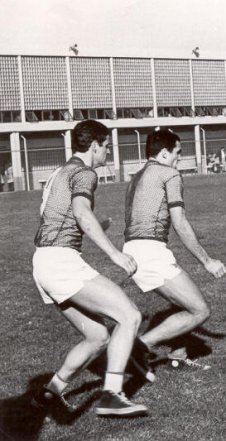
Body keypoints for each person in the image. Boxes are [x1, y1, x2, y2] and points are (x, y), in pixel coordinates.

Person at [31, 120, 147, 417]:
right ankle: (112, 396)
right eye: (106, 146)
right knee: (130, 315)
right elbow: (81, 213)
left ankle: (50, 392)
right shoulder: (85, 173)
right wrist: (115, 254)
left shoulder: (60, 171)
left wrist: (98, 225)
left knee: (97, 337)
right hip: (61, 262)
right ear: (94, 146)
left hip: (43, 261)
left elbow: (60, 216)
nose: (108, 152)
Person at [123, 129, 226, 372]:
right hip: (150, 251)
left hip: (134, 249)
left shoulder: (136, 177)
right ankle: (138, 347)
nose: (179, 158)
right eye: (177, 153)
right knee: (200, 310)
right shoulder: (169, 174)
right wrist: (207, 261)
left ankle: (178, 355)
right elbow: (179, 222)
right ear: (163, 153)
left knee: (182, 302)